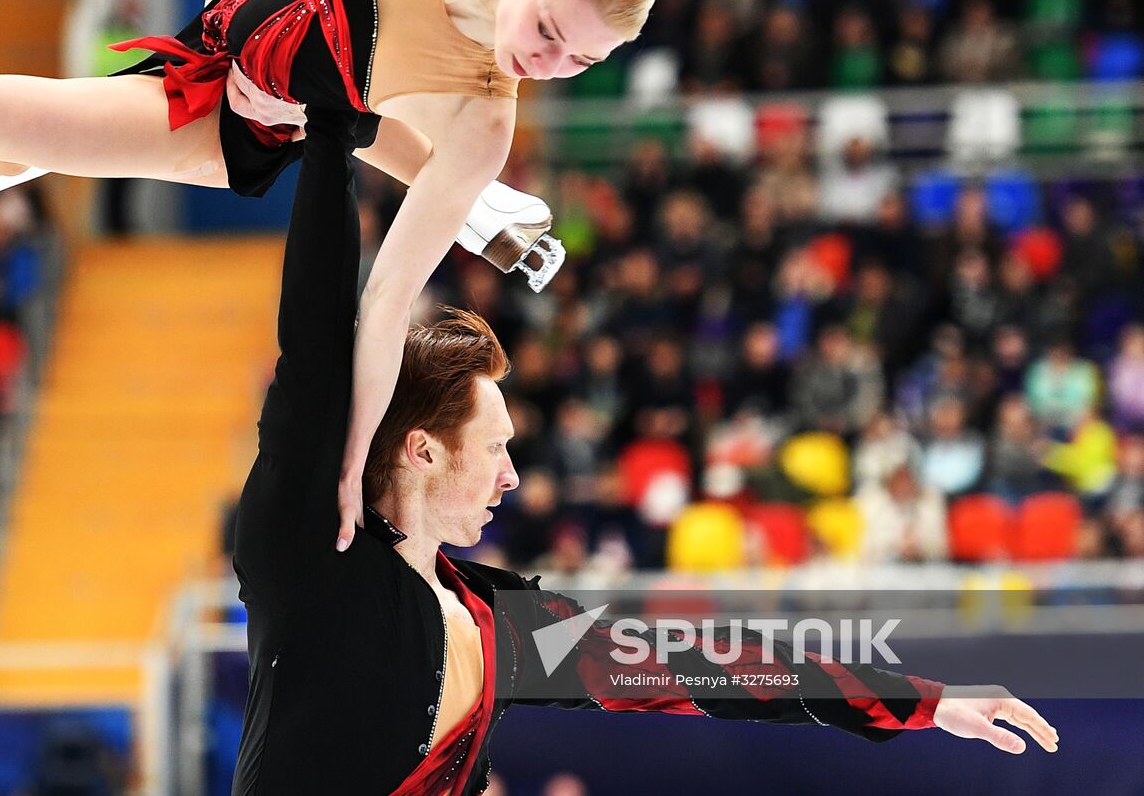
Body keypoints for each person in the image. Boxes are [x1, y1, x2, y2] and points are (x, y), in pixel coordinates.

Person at [0, 0, 758, 550]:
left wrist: (357, 464)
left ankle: (461, 205)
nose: (548, 62)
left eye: (582, 60)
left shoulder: (488, 119)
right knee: (306, 52)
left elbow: (386, 300)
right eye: (547, 31)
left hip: (245, 113)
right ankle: (470, 208)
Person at [233, 125, 1059, 795]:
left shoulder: (499, 628)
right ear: (420, 450)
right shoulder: (312, 556)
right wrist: (329, 132)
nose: (512, 476)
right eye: (495, 448)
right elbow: (312, 345)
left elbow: (718, 667)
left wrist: (926, 703)